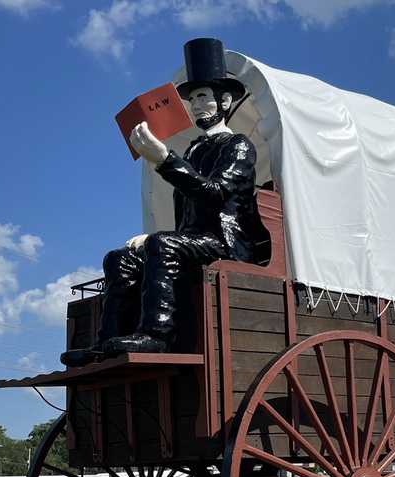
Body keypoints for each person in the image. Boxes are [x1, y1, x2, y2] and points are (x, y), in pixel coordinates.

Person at [61, 37, 267, 366]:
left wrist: (165, 159)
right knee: (119, 258)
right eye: (192, 99)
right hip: (193, 239)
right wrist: (152, 238)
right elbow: (185, 216)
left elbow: (215, 194)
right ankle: (106, 341)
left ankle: (156, 336)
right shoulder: (194, 150)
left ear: (225, 101)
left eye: (203, 97)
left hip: (225, 242)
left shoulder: (238, 146)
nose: (197, 105)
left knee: (162, 244)